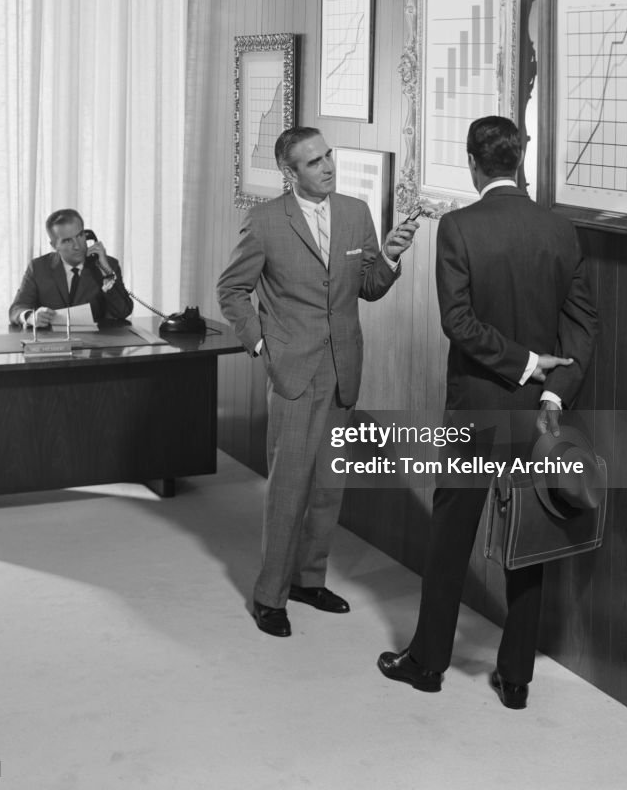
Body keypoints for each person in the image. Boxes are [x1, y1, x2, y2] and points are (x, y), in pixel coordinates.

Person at [377, 116, 598, 708]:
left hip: (477, 407)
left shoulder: (458, 227)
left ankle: (427, 663)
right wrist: (553, 392)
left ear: (473, 163)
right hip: (540, 417)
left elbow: (458, 323)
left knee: (450, 536)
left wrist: (523, 362)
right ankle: (517, 678)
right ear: (520, 160)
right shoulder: (560, 229)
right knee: (530, 533)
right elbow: (584, 324)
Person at [217, 126, 419, 637]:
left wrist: (391, 256)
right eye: (314, 162)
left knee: (329, 486)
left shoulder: (356, 213)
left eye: (329, 155)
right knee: (289, 489)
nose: (328, 166)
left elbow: (369, 288)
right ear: (291, 172)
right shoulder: (264, 222)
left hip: (344, 368)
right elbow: (232, 290)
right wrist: (262, 344)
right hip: (294, 371)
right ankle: (270, 595)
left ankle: (309, 580)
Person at [9, 208, 133, 328]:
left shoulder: (108, 264)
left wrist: (107, 273)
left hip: (94, 344)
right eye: (67, 241)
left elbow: (123, 312)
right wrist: (31, 317)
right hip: (53, 344)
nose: (77, 246)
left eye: (80, 236)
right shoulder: (38, 267)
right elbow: (17, 308)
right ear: (54, 245)